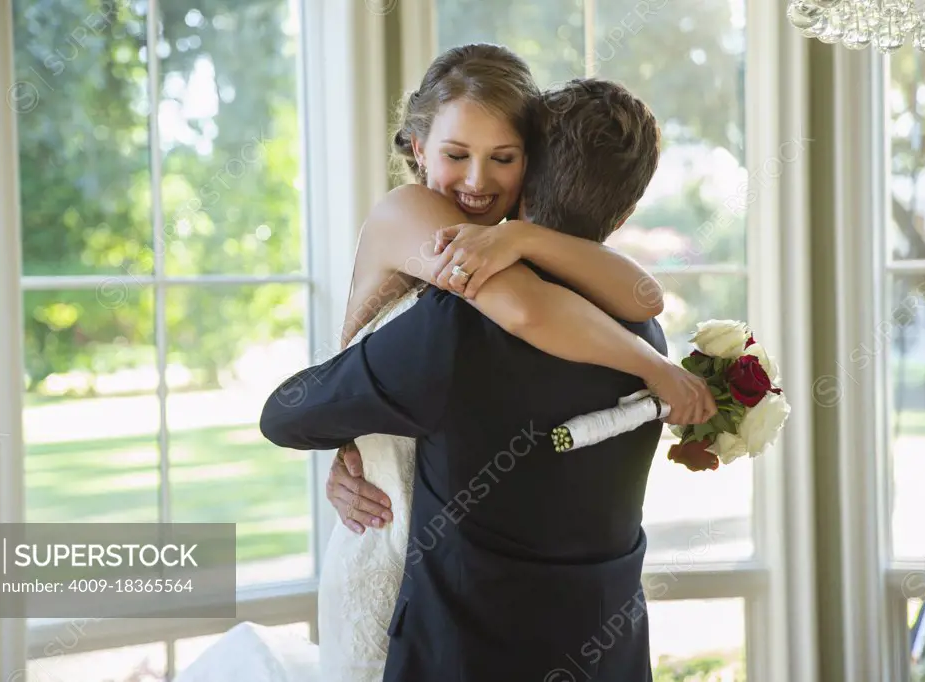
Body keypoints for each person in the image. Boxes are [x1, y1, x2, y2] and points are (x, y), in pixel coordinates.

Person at [261, 77, 687, 681]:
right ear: (629, 208)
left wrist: (350, 424)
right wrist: (360, 439)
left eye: (503, 157)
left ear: (527, 167)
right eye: (457, 154)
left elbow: (285, 415)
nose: (477, 181)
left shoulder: (459, 323)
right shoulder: (642, 328)